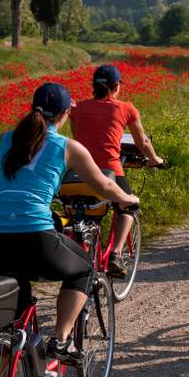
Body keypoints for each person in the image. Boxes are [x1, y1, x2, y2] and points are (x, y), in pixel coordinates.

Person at [0, 82, 139, 362]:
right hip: (34, 237)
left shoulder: (5, 139)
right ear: (65, 113)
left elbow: (1, 183)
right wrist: (127, 199)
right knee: (84, 270)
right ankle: (62, 341)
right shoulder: (67, 146)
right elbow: (103, 184)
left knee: (15, 314)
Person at [69, 64, 162, 278]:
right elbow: (142, 142)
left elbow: (77, 139)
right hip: (109, 170)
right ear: (117, 86)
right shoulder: (126, 108)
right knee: (128, 205)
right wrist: (155, 159)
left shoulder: (78, 108)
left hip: (78, 172)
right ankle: (116, 254)